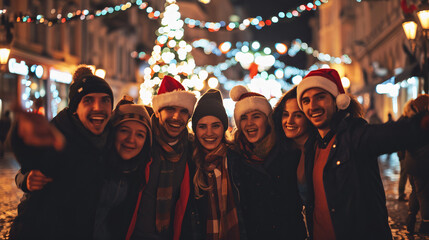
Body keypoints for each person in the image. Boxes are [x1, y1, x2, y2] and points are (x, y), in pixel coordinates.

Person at [296, 68, 429, 240]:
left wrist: (422, 123)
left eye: (320, 97)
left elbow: (394, 133)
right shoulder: (310, 145)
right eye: (306, 101)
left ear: (337, 101)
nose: (312, 106)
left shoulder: (355, 135)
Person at [9, 65, 114, 240]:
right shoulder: (59, 137)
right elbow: (34, 157)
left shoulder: (112, 139)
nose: (98, 107)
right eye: (88, 100)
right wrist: (21, 135)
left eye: (105, 100)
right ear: (75, 108)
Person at [228, 85, 307, 239]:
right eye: (244, 118)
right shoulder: (233, 158)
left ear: (267, 120)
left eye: (256, 116)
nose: (249, 123)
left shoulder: (288, 152)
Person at [127, 75, 197, 240]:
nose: (176, 117)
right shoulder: (141, 142)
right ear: (158, 112)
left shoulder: (191, 150)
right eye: (170, 109)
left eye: (183, 111)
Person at [191, 89, 246, 240]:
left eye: (215, 125)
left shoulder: (237, 159)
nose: (209, 133)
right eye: (202, 126)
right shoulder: (189, 163)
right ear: (195, 129)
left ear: (224, 128)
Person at [94, 101, 152, 240]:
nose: (131, 140)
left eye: (140, 135)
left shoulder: (137, 174)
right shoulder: (93, 164)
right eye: (124, 130)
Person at [402, 95, 429, 234]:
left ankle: (411, 219)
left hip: (411, 164)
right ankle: (425, 224)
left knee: (416, 191)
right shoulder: (423, 123)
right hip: (422, 164)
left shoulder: (409, 122)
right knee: (424, 194)